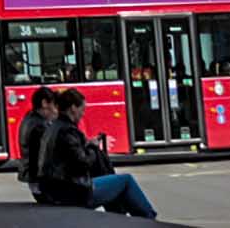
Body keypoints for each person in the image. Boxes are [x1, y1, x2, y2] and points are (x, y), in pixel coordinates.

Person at [36, 89, 157, 219]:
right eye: (82, 110)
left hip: (54, 189)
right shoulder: (67, 131)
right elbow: (83, 162)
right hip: (72, 192)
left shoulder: (53, 127)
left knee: (112, 183)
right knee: (126, 180)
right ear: (73, 108)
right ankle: (149, 219)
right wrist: (94, 147)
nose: (83, 114)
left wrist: (88, 145)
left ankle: (121, 219)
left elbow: (70, 157)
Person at [16, 86, 60, 204]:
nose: (55, 110)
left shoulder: (31, 119)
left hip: (37, 184)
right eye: (54, 105)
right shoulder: (39, 127)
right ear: (45, 103)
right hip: (44, 187)